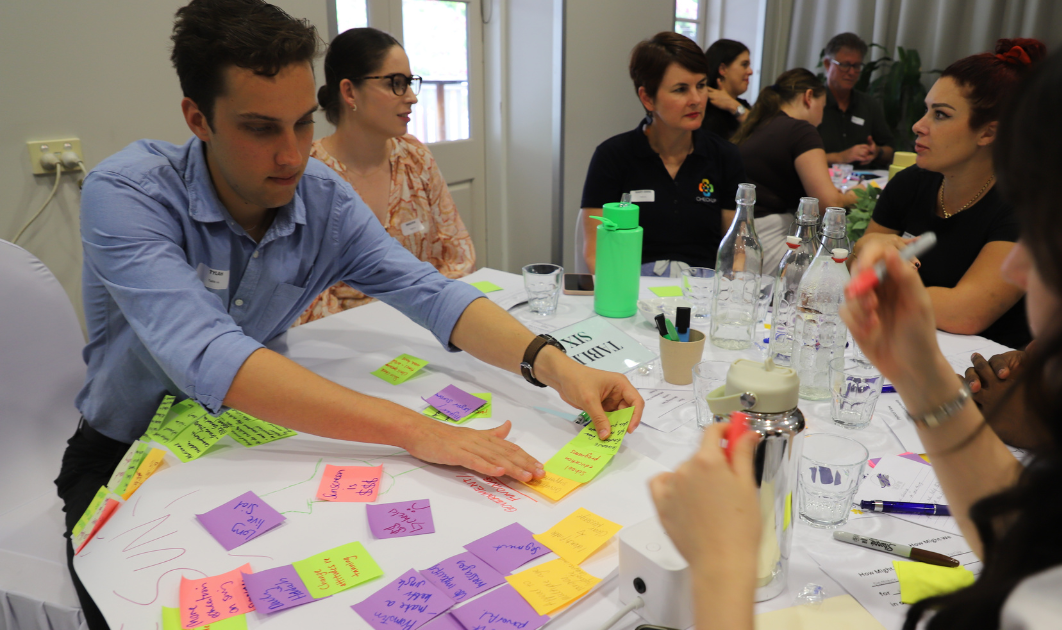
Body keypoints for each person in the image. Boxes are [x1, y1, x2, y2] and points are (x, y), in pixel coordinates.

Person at [57, 2, 643, 627]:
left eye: (303, 124)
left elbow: (430, 290)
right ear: (198, 118)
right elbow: (208, 351)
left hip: (253, 441)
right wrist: (418, 429)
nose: (292, 155)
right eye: (260, 129)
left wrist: (556, 366)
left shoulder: (322, 198)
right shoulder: (127, 194)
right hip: (127, 453)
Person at [652, 1, 1062, 627]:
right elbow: (1034, 539)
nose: (1019, 269)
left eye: (1048, 227)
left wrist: (723, 563)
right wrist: (918, 369)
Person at [851, 39, 1043, 350]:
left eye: (940, 115)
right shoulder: (911, 183)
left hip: (982, 371)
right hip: (905, 342)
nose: (917, 126)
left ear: (988, 133)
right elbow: (857, 268)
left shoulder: (1024, 208)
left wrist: (870, 267)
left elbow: (965, 313)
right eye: (926, 111)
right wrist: (866, 246)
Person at [295, 27, 475, 325]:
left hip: (425, 329)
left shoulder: (415, 157)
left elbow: (457, 256)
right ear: (349, 91)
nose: (412, 98)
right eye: (397, 84)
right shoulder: (308, 176)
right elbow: (301, 293)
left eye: (409, 83)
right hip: (343, 343)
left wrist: (431, 317)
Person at [580, 32, 746, 276]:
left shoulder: (725, 156)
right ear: (647, 98)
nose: (696, 100)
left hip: (703, 294)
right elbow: (595, 253)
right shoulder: (612, 157)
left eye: (700, 86)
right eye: (680, 89)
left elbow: (737, 252)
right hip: (632, 288)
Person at [732, 68, 860, 263]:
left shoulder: (757, 125)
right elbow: (829, 204)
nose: (821, 118)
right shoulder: (801, 130)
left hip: (741, 238)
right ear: (809, 97)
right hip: (769, 241)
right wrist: (855, 194)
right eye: (823, 107)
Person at [816, 32, 895, 168]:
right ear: (828, 64)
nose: (851, 72)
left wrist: (877, 152)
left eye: (856, 66)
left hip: (863, 183)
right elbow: (797, 156)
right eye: (845, 65)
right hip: (821, 182)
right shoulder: (813, 103)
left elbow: (891, 151)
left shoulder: (868, 104)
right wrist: (839, 158)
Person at [702, 39, 753, 141]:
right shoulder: (704, 110)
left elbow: (763, 132)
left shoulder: (740, 105)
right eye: (744, 65)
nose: (750, 71)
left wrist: (733, 105)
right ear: (723, 69)